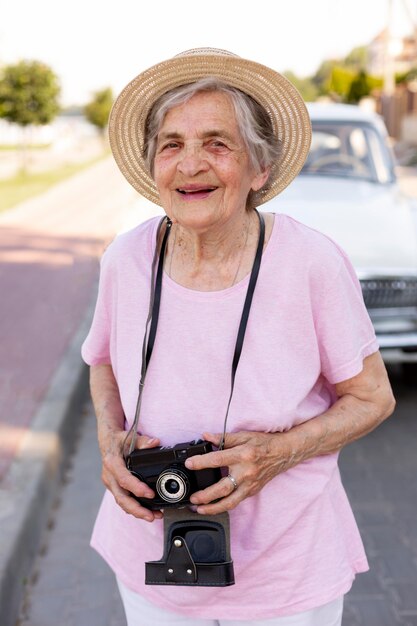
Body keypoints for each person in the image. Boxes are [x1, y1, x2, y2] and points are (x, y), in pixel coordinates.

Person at [81, 48, 395, 626]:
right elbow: (101, 363)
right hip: (151, 554)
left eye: (218, 144)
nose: (190, 164)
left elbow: (374, 398)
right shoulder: (125, 258)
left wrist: (278, 453)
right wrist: (109, 438)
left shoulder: (312, 263)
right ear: (154, 166)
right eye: (171, 144)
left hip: (286, 565)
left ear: (260, 170)